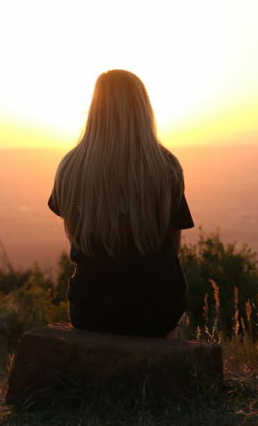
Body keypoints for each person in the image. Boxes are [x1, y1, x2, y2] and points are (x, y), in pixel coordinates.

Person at [48, 69, 194, 339]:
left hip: (89, 311)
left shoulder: (70, 167)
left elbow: (75, 234)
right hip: (155, 313)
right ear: (143, 111)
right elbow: (173, 249)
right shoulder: (167, 168)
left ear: (95, 109)